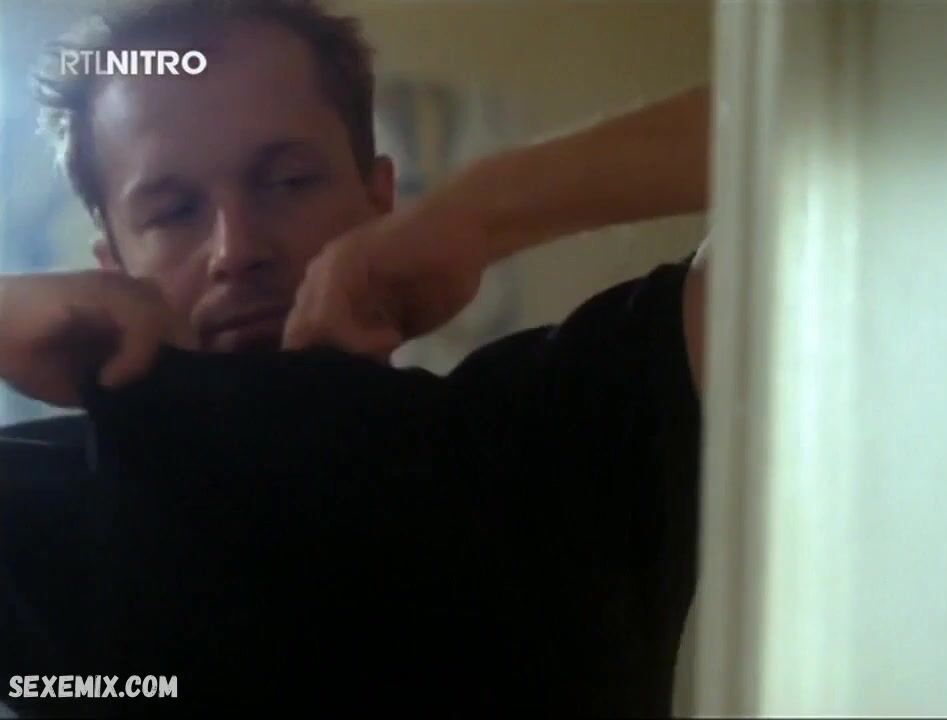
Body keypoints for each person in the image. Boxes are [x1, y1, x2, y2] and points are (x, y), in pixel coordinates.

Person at [0, 0, 710, 716]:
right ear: (113, 265)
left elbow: (784, 121)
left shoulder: (558, 429)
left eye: (289, 181)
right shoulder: (39, 510)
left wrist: (482, 209)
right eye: (173, 212)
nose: (235, 251)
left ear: (379, 200)